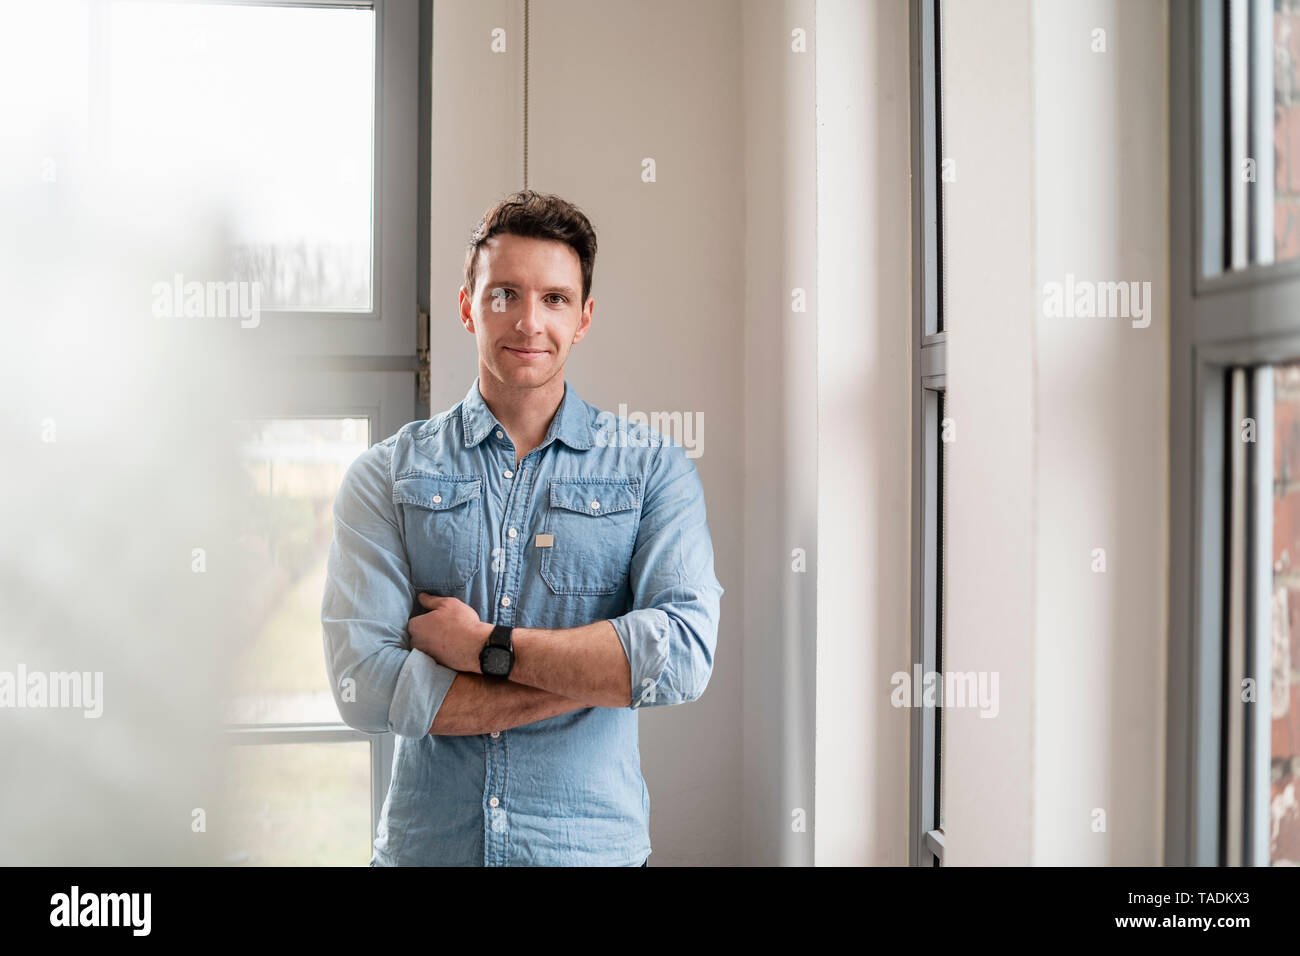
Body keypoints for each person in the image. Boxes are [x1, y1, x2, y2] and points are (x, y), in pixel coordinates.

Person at [321, 189, 723, 866]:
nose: (528, 321)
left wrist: (485, 647)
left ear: (585, 317)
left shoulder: (655, 470)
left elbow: (681, 655)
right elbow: (364, 683)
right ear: (466, 306)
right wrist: (593, 678)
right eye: (504, 293)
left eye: (555, 299)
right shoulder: (384, 476)